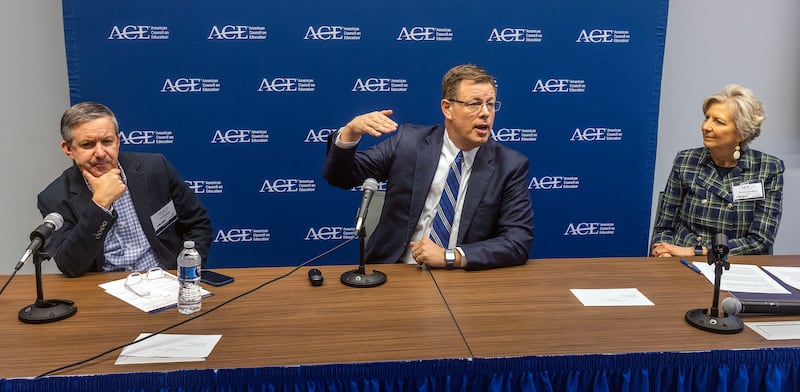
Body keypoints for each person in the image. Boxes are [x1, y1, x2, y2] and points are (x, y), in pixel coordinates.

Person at [323, 64, 533, 270]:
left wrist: (451, 256)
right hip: (396, 271)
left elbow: (517, 241)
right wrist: (350, 133)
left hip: (463, 278)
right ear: (447, 108)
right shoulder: (408, 143)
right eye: (474, 104)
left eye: (491, 104)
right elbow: (341, 177)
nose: (486, 113)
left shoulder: (509, 166)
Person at [37, 102, 213, 277]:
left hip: (165, 279)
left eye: (107, 141)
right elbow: (71, 266)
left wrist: (186, 273)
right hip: (103, 290)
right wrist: (100, 204)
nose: (100, 152)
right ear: (68, 149)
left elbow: (198, 224)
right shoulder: (54, 197)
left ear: (118, 141)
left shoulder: (155, 168)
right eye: (88, 145)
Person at [651, 84, 783, 257]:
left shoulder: (768, 169)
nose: (706, 127)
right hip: (680, 261)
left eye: (718, 122)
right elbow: (664, 226)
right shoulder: (685, 161)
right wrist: (664, 252)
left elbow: (760, 240)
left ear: (741, 133)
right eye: (706, 118)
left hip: (736, 264)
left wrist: (697, 252)